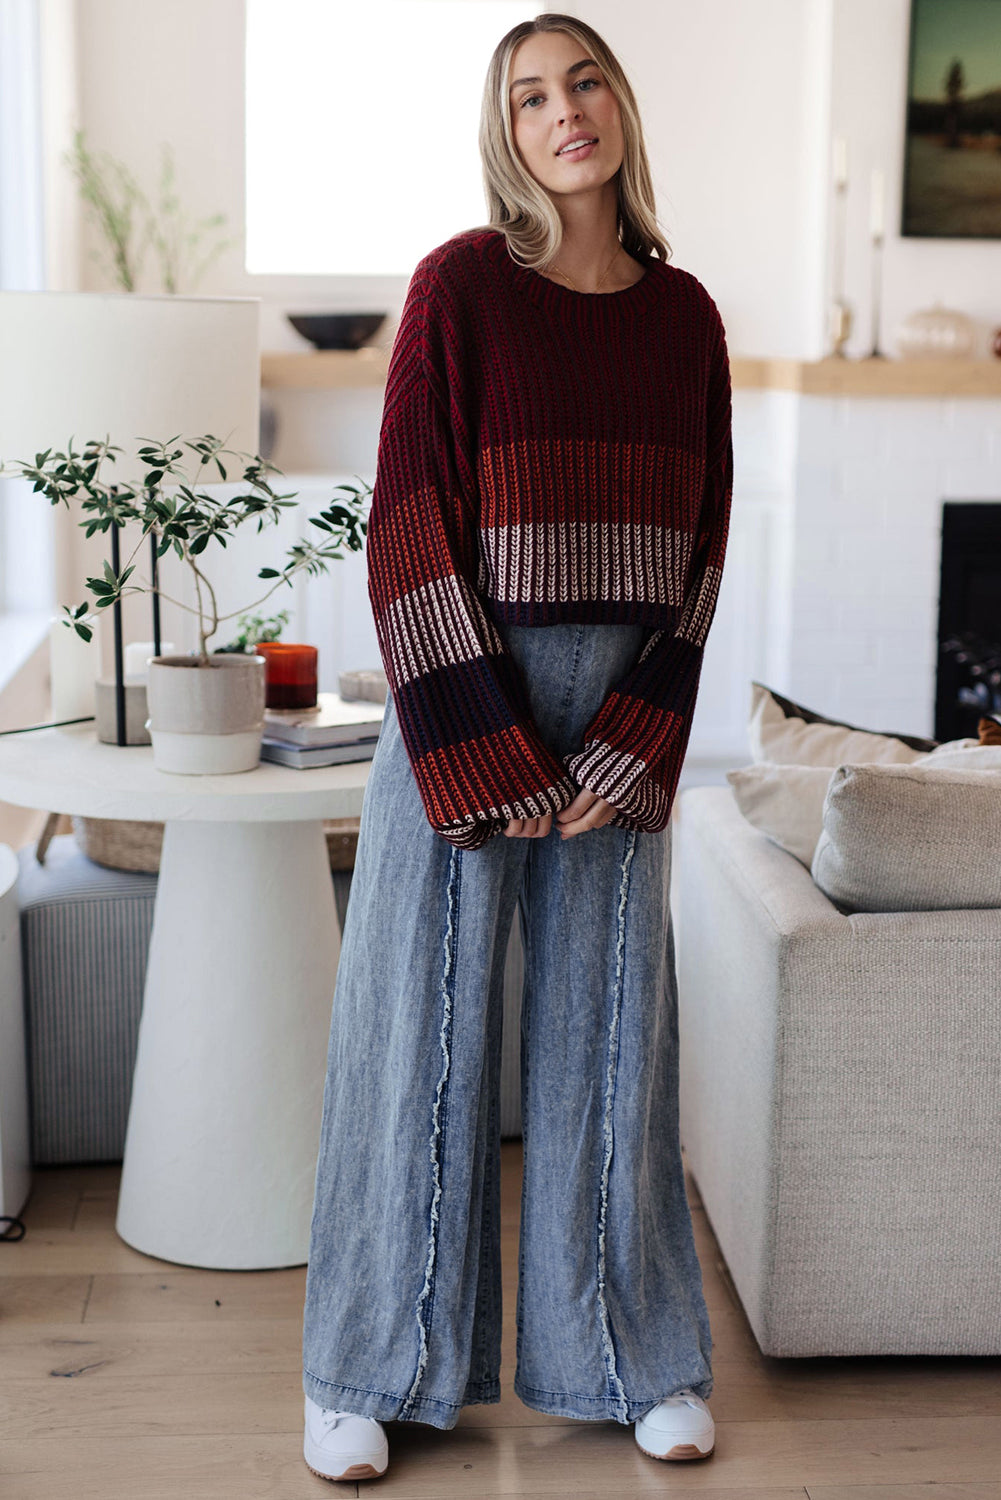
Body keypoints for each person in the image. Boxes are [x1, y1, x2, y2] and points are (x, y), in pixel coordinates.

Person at [300, 11, 733, 1484]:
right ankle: (366, 1371)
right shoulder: (459, 289)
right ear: (507, 127)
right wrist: (483, 747)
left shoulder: (685, 319)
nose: (564, 113)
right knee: (409, 1037)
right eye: (531, 95)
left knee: (613, 1042)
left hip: (619, 716)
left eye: (584, 82)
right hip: (458, 703)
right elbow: (409, 519)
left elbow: (699, 561)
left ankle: (631, 1363)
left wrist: (623, 752)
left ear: (619, 105)